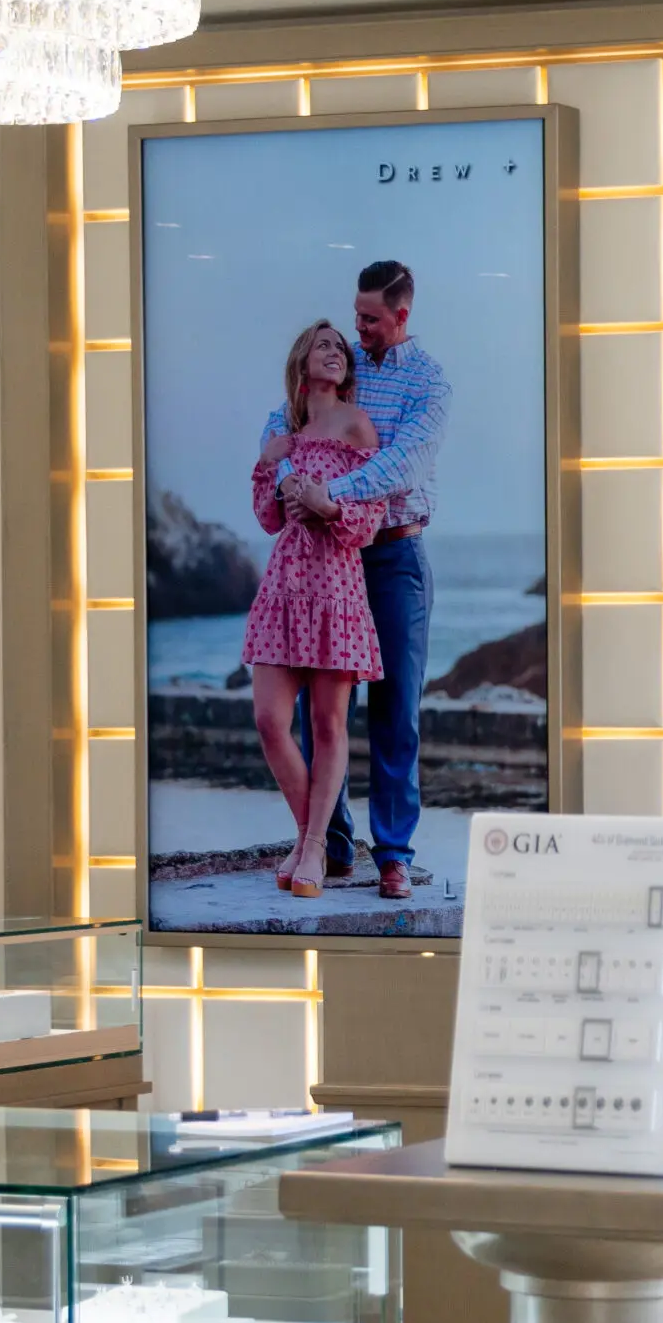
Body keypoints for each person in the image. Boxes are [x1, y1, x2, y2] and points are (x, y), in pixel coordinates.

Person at [266, 259, 451, 901]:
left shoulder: (428, 382)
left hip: (394, 556)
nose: (358, 328)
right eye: (356, 315)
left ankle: (393, 854)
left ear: (401, 315)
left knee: (396, 708)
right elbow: (285, 422)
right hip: (327, 560)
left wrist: (330, 494)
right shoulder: (341, 363)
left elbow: (403, 465)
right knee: (322, 711)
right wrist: (290, 479)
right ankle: (331, 843)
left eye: (370, 319)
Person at [242, 321, 387, 897]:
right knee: (269, 721)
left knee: (328, 724)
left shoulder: (357, 425)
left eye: (340, 348)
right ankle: (313, 838)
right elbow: (268, 518)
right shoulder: (286, 432)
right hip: (285, 585)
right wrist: (267, 463)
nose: (335, 352)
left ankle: (311, 848)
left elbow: (369, 519)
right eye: (323, 344)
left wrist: (326, 507)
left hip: (336, 586)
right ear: (302, 361)